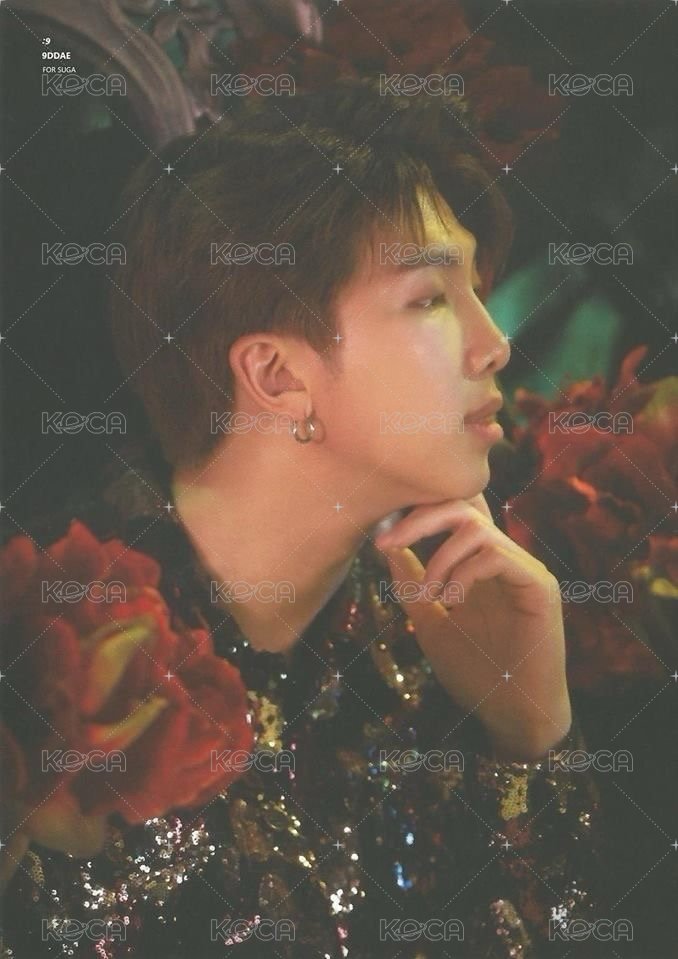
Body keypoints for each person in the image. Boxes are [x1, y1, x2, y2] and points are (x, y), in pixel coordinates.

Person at [2, 78, 616, 958]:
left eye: (477, 289)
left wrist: (532, 734)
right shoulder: (42, 646)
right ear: (278, 375)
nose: (495, 343)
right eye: (431, 297)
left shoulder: (446, 629)